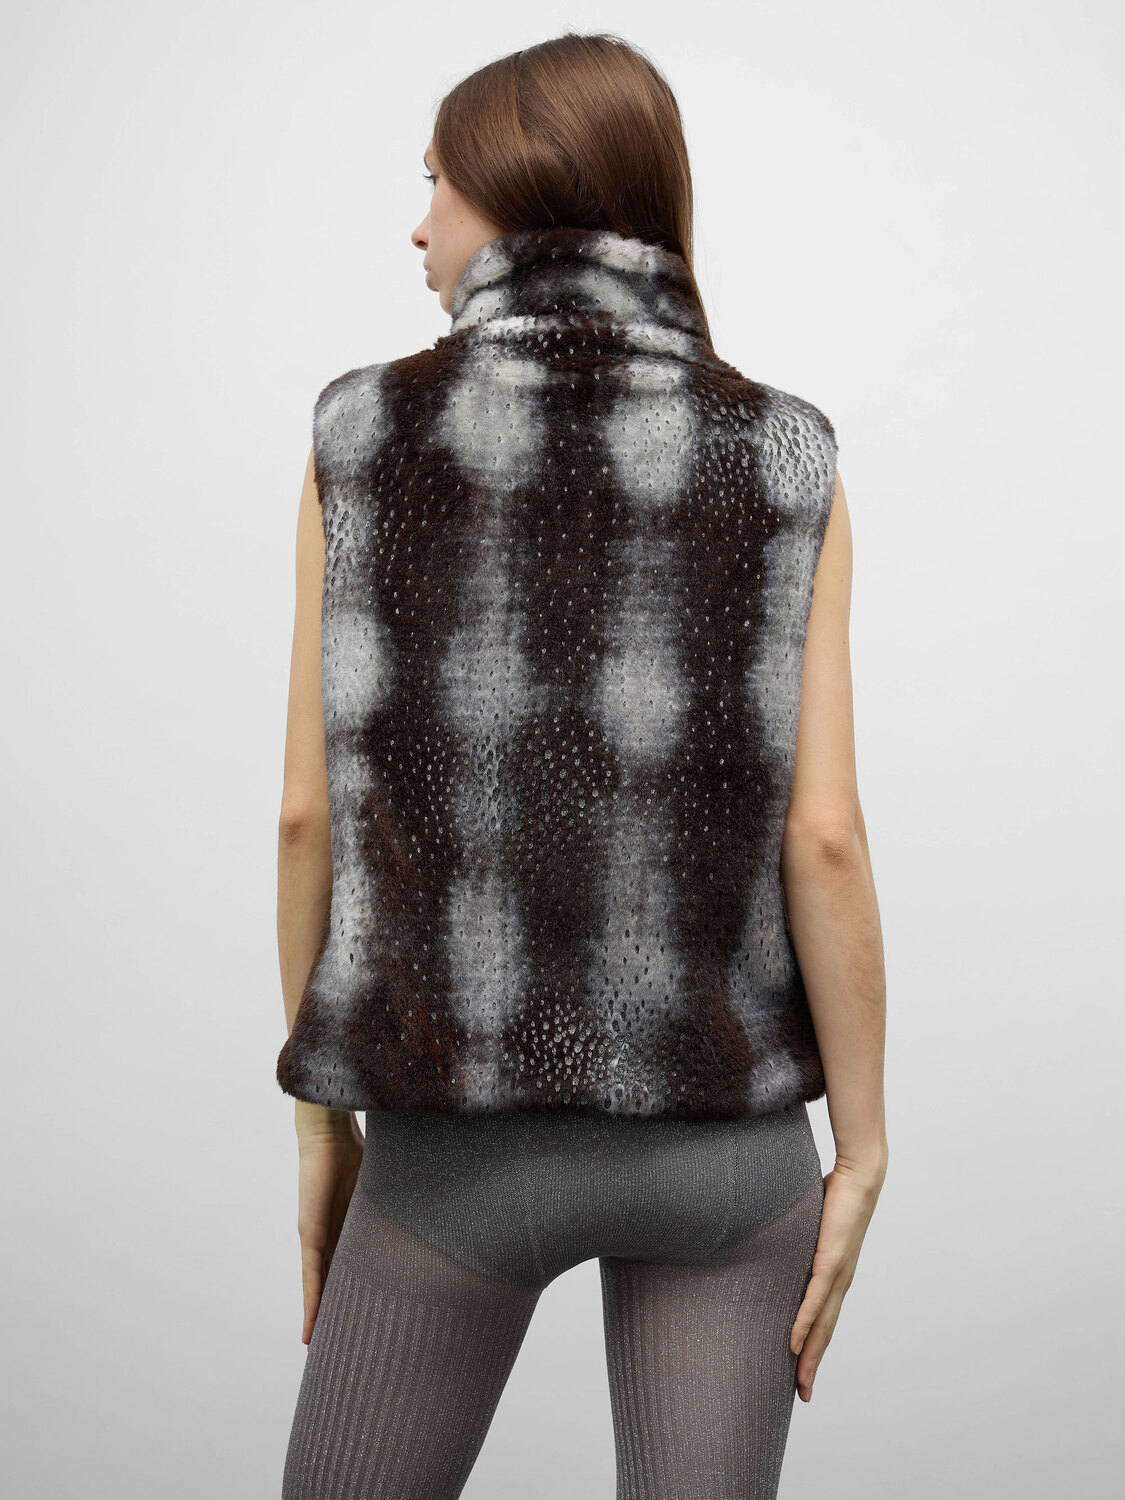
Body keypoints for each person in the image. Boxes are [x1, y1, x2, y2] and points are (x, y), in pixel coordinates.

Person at [274, 31, 887, 1500]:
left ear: (514, 189)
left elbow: (305, 820)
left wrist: (320, 1118)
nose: (417, 225)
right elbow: (825, 838)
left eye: (435, 180)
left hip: (453, 1156)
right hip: (727, 1155)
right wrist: (860, 1150)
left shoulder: (362, 433)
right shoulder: (784, 450)